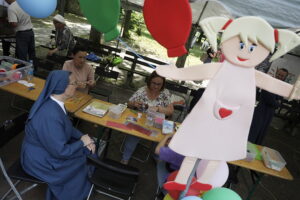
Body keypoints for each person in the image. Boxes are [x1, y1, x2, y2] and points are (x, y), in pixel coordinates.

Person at [156, 16, 300, 191]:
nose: (245, 52)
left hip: (234, 120)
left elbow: (274, 85)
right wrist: (175, 73)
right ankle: (180, 181)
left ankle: (205, 181)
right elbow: (197, 71)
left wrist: (294, 91)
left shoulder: (254, 75)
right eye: (240, 45)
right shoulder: (221, 67)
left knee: (220, 150)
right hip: (207, 114)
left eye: (252, 48)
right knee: (194, 147)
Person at [21, 70, 95, 200]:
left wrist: (84, 137)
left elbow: (67, 127)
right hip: (39, 161)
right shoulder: (50, 115)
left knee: (87, 151)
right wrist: (82, 142)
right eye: (74, 83)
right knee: (83, 159)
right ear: (62, 87)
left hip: (47, 151)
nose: (77, 85)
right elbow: (61, 152)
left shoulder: (55, 104)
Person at [121, 71, 174, 165]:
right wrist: (134, 104)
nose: (156, 86)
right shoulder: (142, 91)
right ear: (149, 81)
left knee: (159, 138)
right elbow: (129, 103)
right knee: (133, 136)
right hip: (141, 119)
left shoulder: (165, 93)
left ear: (163, 84)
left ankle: (156, 156)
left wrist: (158, 108)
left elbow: (170, 111)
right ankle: (125, 158)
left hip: (158, 121)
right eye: (154, 83)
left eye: (159, 84)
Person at [248, 68, 289, 144]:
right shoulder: (268, 83)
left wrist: (277, 101)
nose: (280, 77)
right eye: (279, 74)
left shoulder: (282, 87)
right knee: (254, 131)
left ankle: (255, 149)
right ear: (276, 74)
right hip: (261, 111)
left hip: (269, 113)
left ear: (285, 78)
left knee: (262, 132)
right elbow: (272, 101)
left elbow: (280, 100)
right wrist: (277, 101)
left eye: (282, 76)